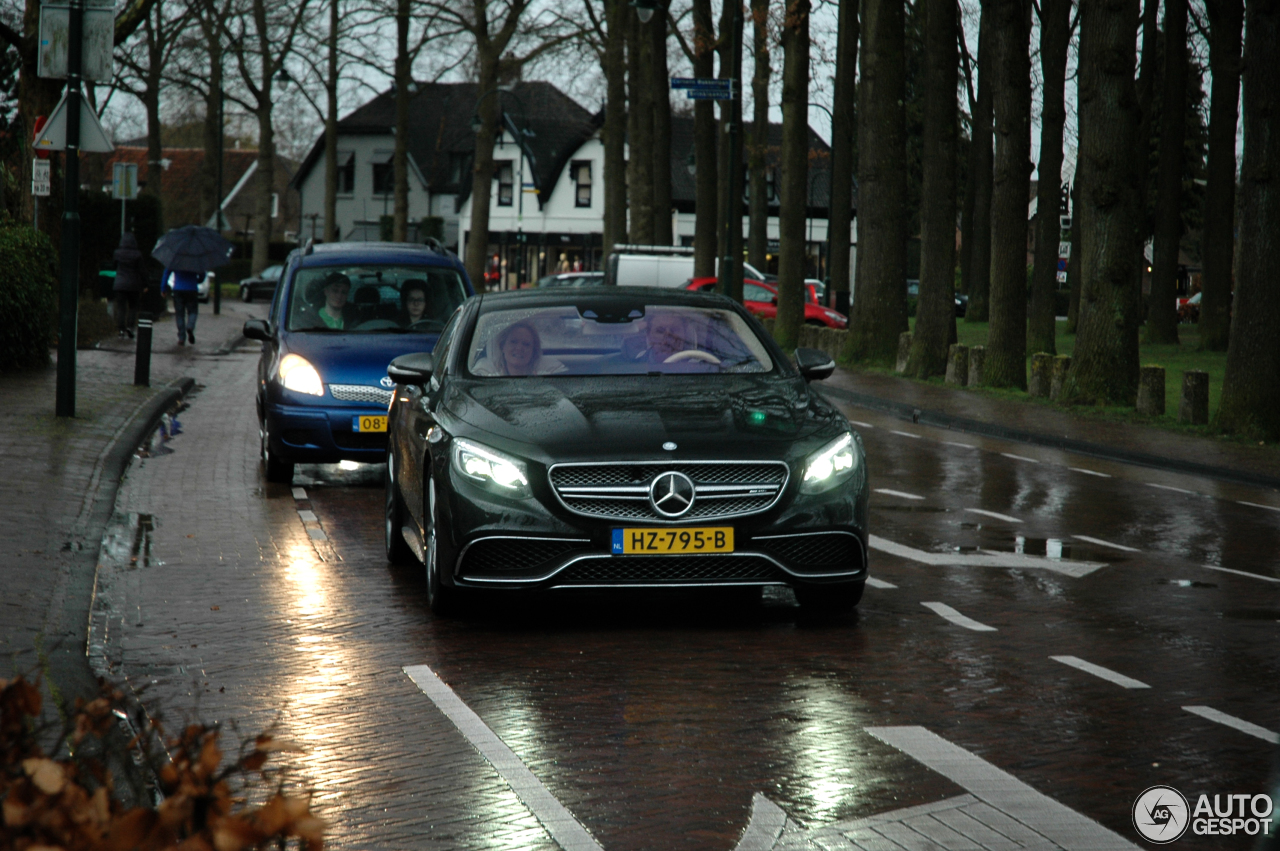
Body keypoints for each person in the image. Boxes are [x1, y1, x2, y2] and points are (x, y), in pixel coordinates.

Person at [473, 321, 565, 376]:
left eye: (526, 344)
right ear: (502, 346)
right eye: (513, 342)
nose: (519, 348)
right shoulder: (485, 371)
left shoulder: (550, 370)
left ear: (533, 351)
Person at [112, 232, 145, 339]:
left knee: (121, 308)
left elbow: (114, 266)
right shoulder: (137, 254)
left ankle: (121, 330)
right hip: (133, 285)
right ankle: (130, 327)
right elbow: (142, 270)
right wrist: (145, 284)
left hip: (120, 284)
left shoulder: (117, 253)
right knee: (133, 307)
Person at [161, 264, 201, 346]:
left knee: (179, 314)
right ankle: (190, 327)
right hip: (192, 289)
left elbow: (166, 273)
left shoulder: (176, 259)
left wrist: (163, 288)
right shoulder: (195, 259)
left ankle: (181, 338)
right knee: (193, 311)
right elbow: (202, 274)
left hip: (178, 289)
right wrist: (197, 280)